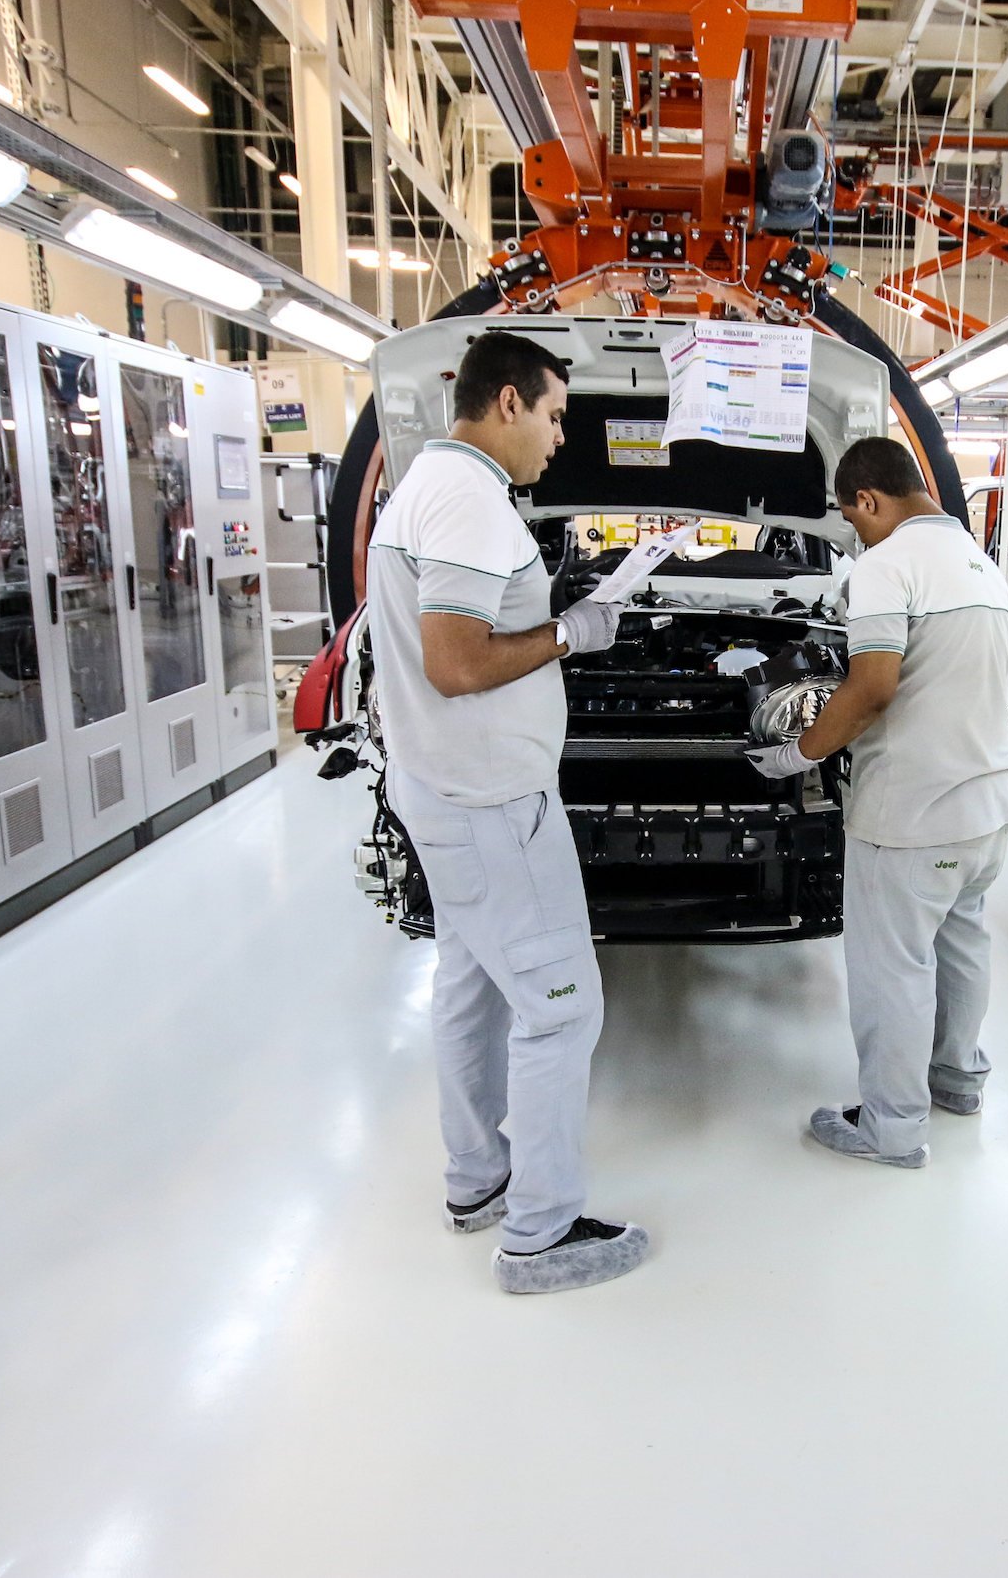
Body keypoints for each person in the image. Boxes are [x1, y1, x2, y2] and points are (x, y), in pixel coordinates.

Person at [365, 330, 648, 1294]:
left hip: (438, 786)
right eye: (558, 414)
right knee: (563, 1008)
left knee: (471, 985)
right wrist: (572, 631)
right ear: (510, 404)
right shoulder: (473, 502)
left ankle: (477, 1179)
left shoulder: (423, 488)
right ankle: (541, 1232)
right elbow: (455, 665)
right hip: (488, 798)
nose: (561, 439)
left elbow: (449, 639)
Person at [748, 437, 1008, 1168]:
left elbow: (871, 688)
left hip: (913, 816)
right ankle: (957, 1077)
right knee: (962, 944)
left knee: (891, 968)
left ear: (868, 500)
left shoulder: (887, 566)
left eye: (853, 519)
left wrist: (796, 754)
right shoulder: (983, 566)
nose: (856, 535)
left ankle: (892, 1126)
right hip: (987, 806)